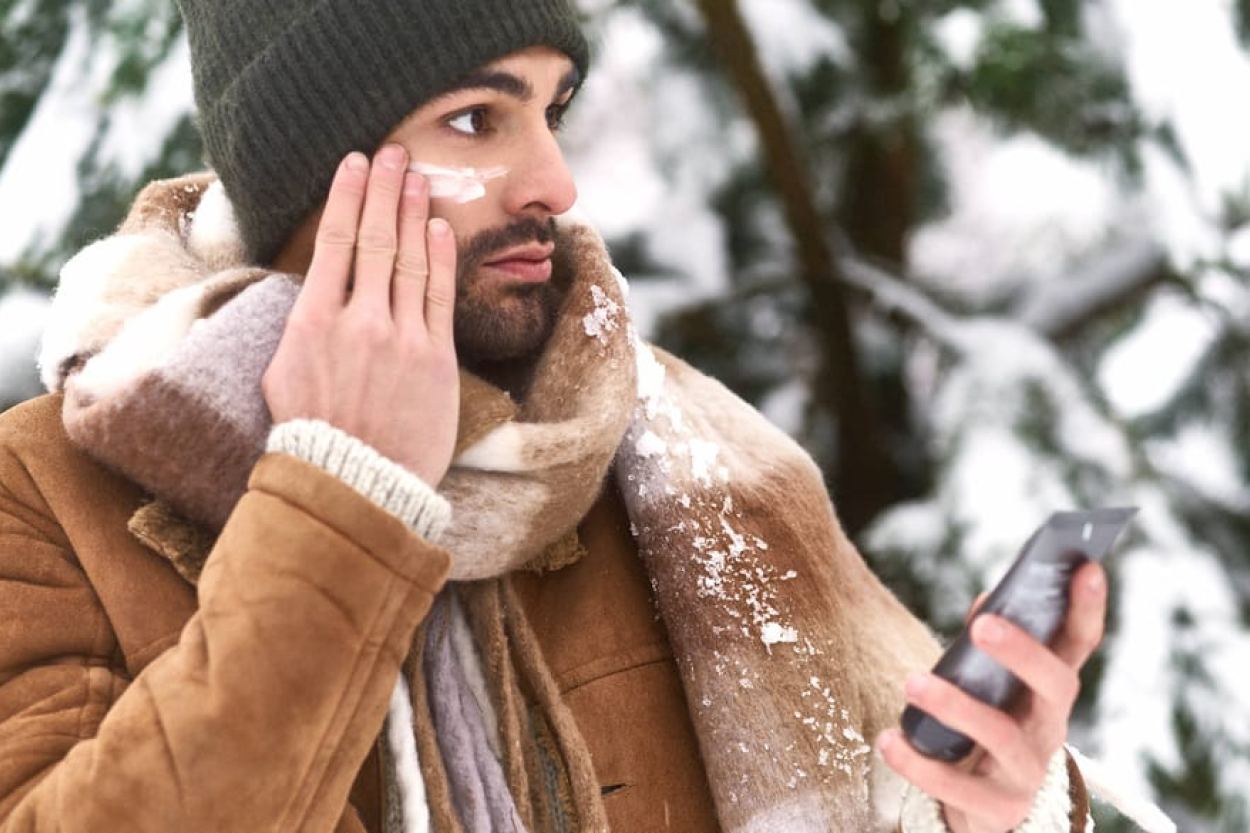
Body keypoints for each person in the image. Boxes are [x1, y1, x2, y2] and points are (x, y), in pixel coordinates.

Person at [0, 1, 1122, 831]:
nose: (554, 181)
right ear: (313, 174)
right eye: (477, 117)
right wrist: (337, 495)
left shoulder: (668, 459)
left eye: (553, 111)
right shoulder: (46, 489)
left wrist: (989, 808)